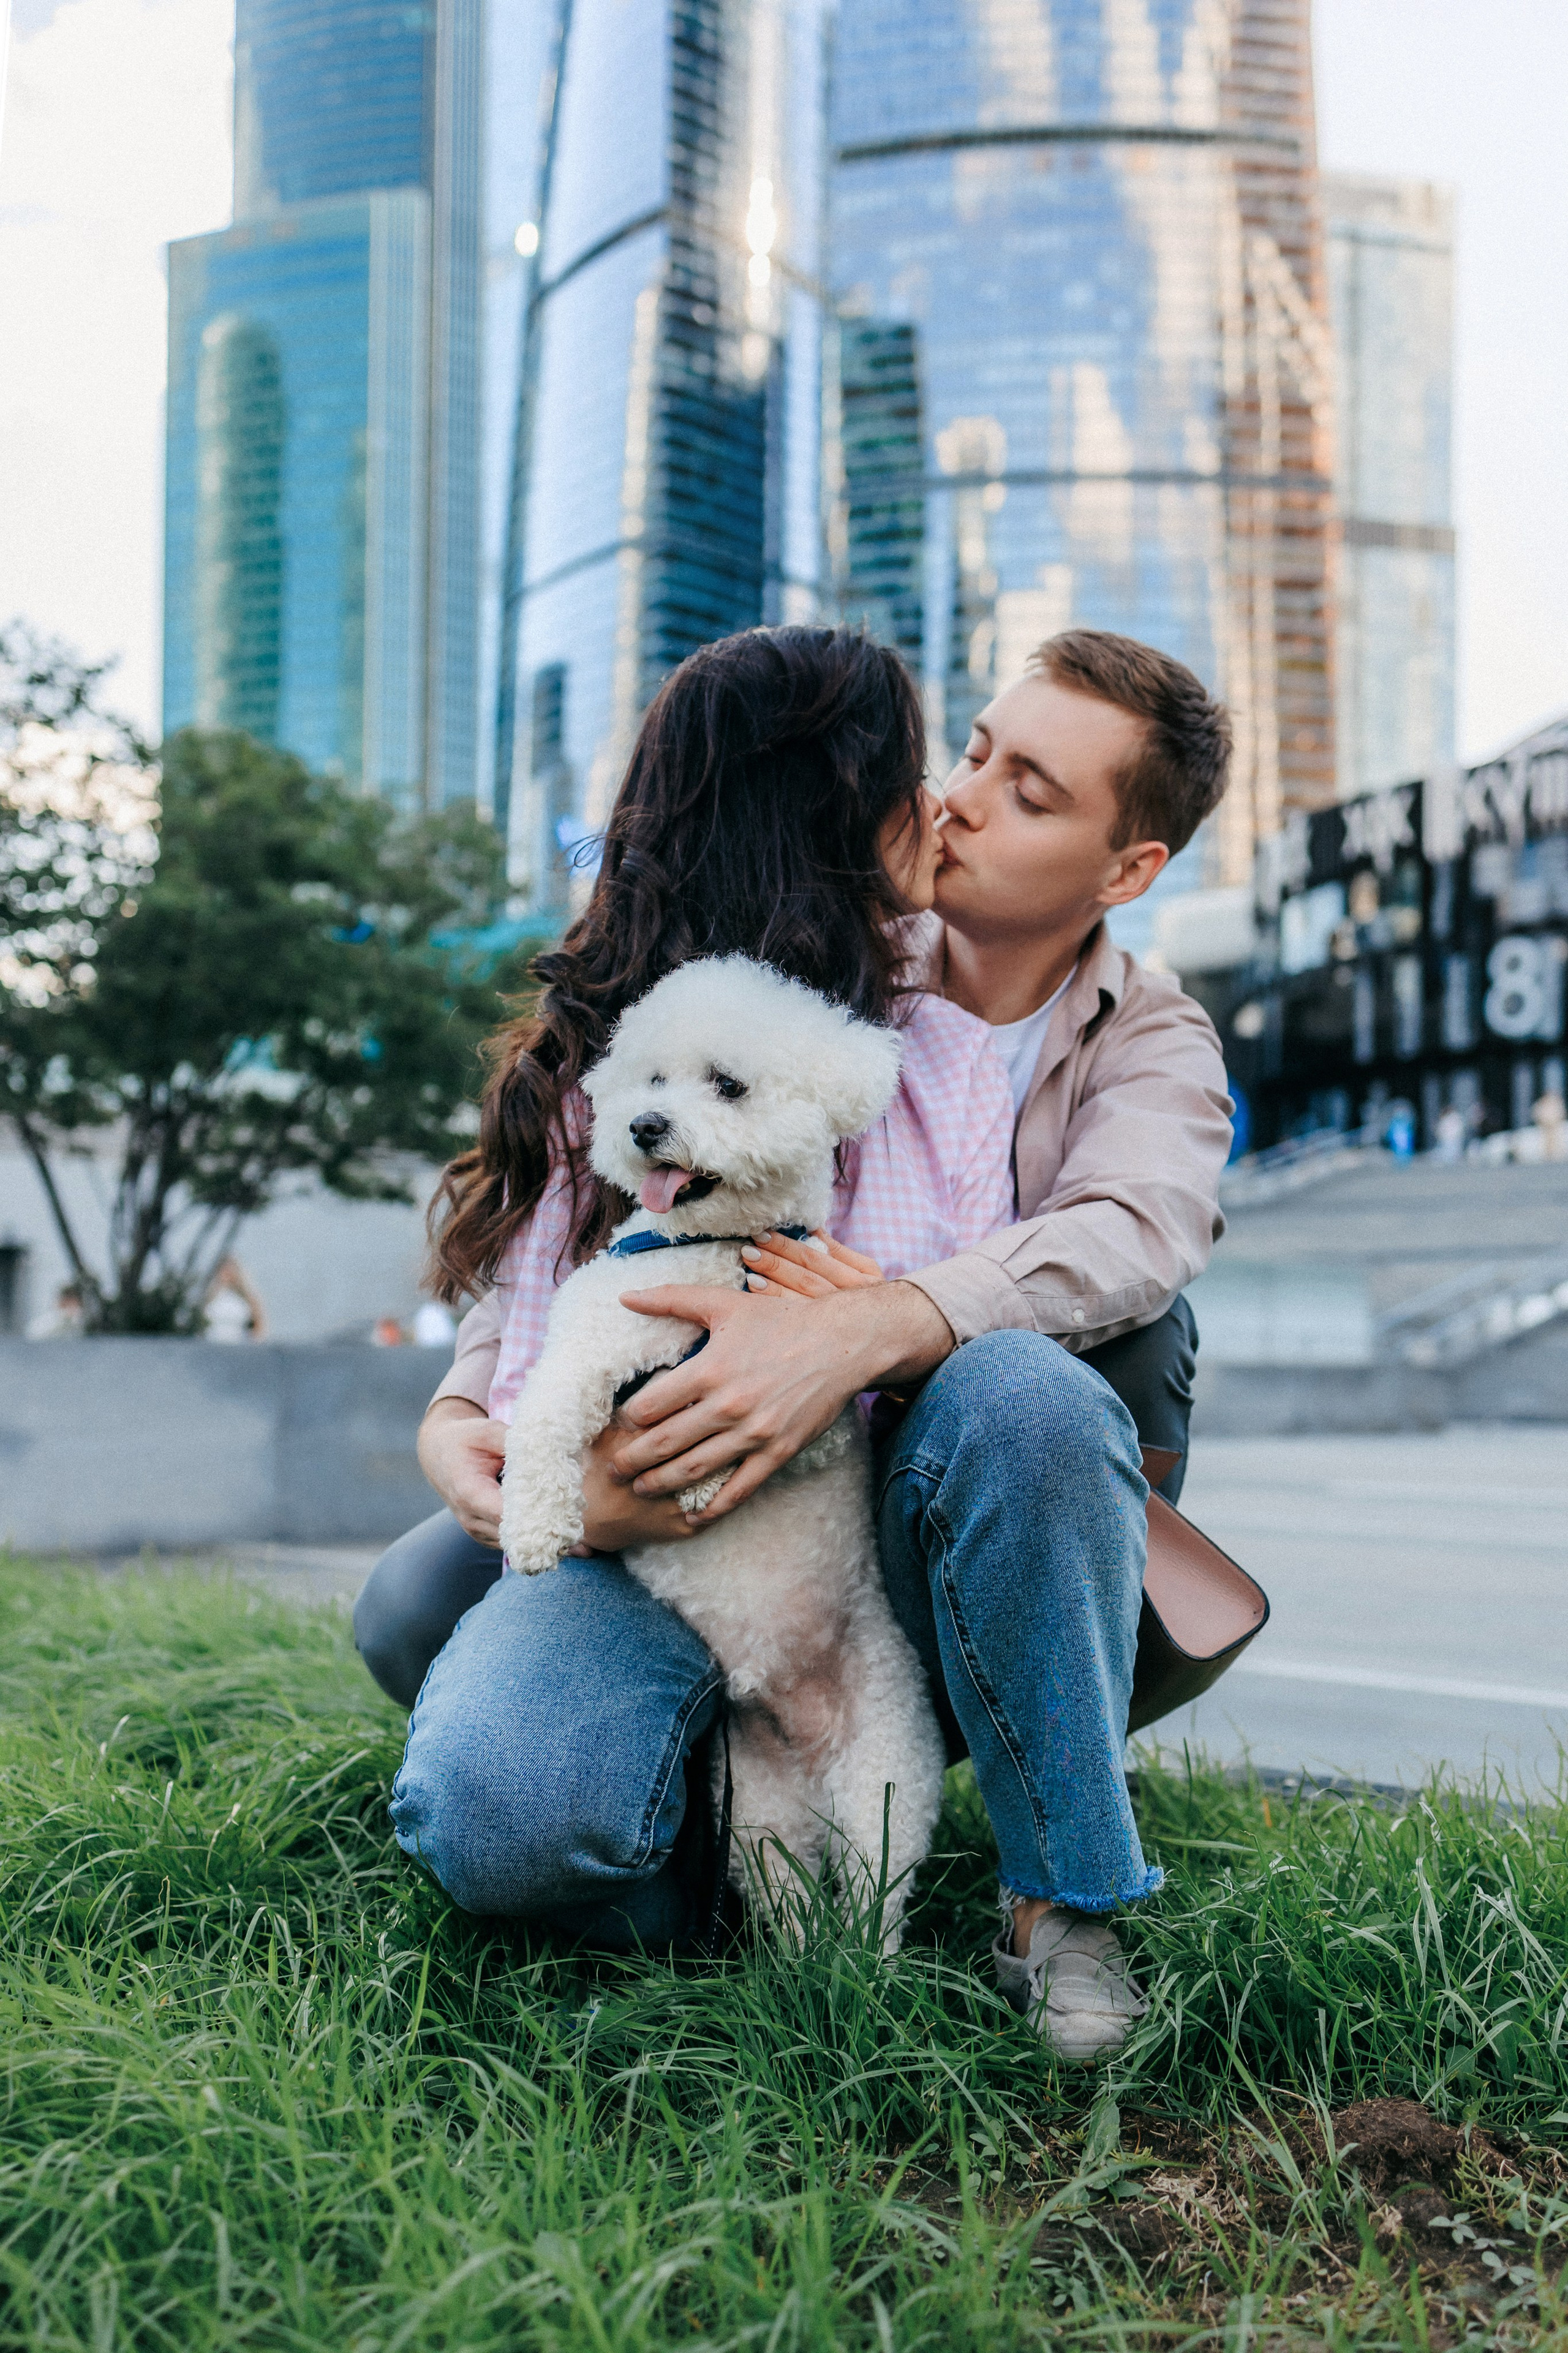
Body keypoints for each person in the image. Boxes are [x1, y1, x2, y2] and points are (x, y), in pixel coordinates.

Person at [358, 625, 1232, 2064]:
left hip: (914, 1490)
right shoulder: (787, 961)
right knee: (492, 1783)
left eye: (1027, 792)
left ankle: (1059, 1894)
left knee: (1044, 1376)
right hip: (644, 1511)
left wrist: (855, 1329)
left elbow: (1137, 1228)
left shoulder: (1131, 1035)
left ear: (1125, 867)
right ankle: (701, 1826)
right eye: (965, 753)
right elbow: (572, 1230)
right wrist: (479, 1410)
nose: (956, 798)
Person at [202, 1256, 267, 1342]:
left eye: (229, 1270)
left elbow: (258, 1324)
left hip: (239, 1345)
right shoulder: (208, 1297)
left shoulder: (247, 1298)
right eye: (223, 1270)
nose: (226, 1274)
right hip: (212, 1343)